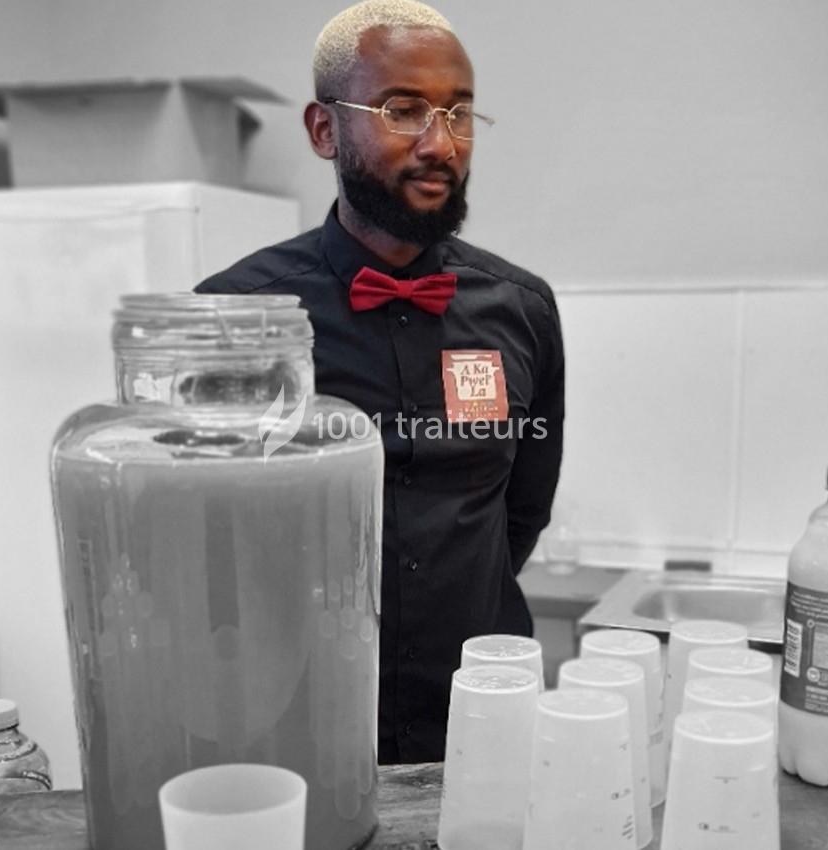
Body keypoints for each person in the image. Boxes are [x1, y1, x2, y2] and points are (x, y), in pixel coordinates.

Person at [196, 0, 564, 764]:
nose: (440, 144)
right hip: (297, 722)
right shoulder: (235, 316)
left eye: (460, 115)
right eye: (404, 110)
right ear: (325, 129)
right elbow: (207, 541)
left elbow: (522, 510)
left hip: (480, 721)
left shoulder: (521, 310)